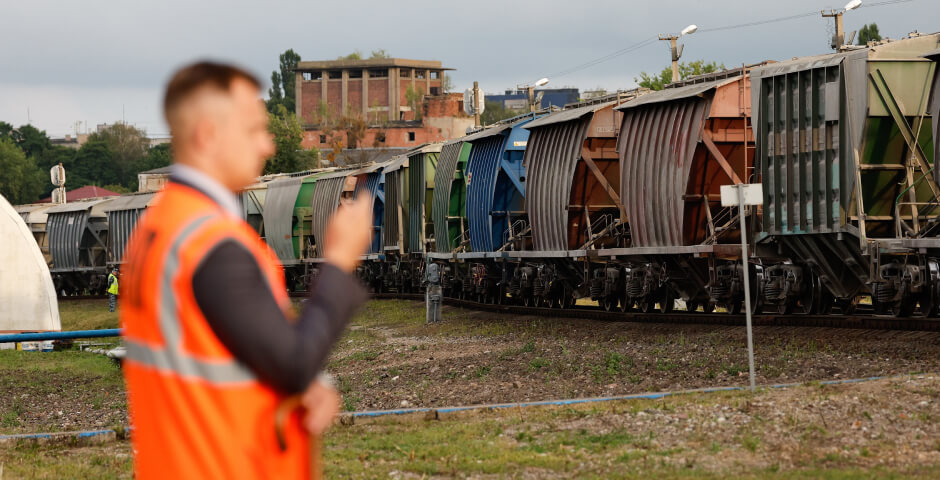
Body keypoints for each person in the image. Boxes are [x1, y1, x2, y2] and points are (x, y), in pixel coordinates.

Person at [119, 61, 373, 479]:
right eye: (254, 130)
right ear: (208, 135)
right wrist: (340, 264)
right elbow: (294, 363)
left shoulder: (162, 226)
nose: (267, 147)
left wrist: (288, 388)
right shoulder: (212, 243)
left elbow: (206, 354)